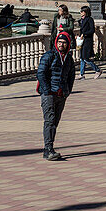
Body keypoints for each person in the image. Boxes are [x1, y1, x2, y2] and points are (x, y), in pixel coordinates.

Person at [36, 31, 76, 161]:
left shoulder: (68, 58)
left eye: (64, 43)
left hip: (61, 94)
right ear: (56, 43)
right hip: (48, 95)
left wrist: (68, 90)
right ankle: (48, 150)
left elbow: (71, 76)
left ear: (68, 44)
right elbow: (40, 73)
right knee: (50, 120)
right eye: (59, 42)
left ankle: (49, 148)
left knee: (55, 122)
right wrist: (46, 90)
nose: (61, 45)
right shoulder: (49, 55)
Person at [76, 6, 103, 79]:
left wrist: (84, 34)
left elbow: (92, 30)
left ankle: (97, 70)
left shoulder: (90, 19)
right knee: (81, 58)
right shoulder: (81, 20)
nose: (81, 13)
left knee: (86, 58)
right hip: (82, 41)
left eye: (82, 11)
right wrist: (79, 36)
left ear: (85, 12)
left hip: (88, 41)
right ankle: (81, 74)